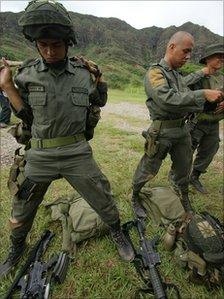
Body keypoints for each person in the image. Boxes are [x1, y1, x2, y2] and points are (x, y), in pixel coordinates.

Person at [0, 0, 134, 278]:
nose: (49, 51)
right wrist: (7, 86)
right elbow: (26, 115)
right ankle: (16, 248)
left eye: (56, 45)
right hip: (40, 154)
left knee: (103, 196)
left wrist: (101, 80)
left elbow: (101, 100)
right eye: (43, 45)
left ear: (68, 43)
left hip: (76, 152)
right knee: (22, 205)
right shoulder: (25, 75)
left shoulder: (85, 73)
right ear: (36, 44)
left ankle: (118, 232)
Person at [131, 31, 223, 218]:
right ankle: (134, 195)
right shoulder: (155, 72)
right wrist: (202, 94)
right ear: (171, 47)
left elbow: (186, 101)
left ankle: (184, 197)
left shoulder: (179, 76)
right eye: (185, 51)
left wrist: (212, 102)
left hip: (182, 130)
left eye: (190, 52)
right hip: (162, 131)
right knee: (148, 168)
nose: (188, 56)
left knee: (183, 169)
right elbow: (166, 99)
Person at [188, 44, 224, 193]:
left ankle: (194, 177)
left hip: (214, 122)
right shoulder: (198, 76)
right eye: (218, 56)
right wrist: (201, 74)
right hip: (197, 121)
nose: (221, 59)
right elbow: (181, 88)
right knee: (186, 150)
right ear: (208, 58)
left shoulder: (222, 78)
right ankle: (177, 176)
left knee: (210, 149)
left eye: (223, 57)